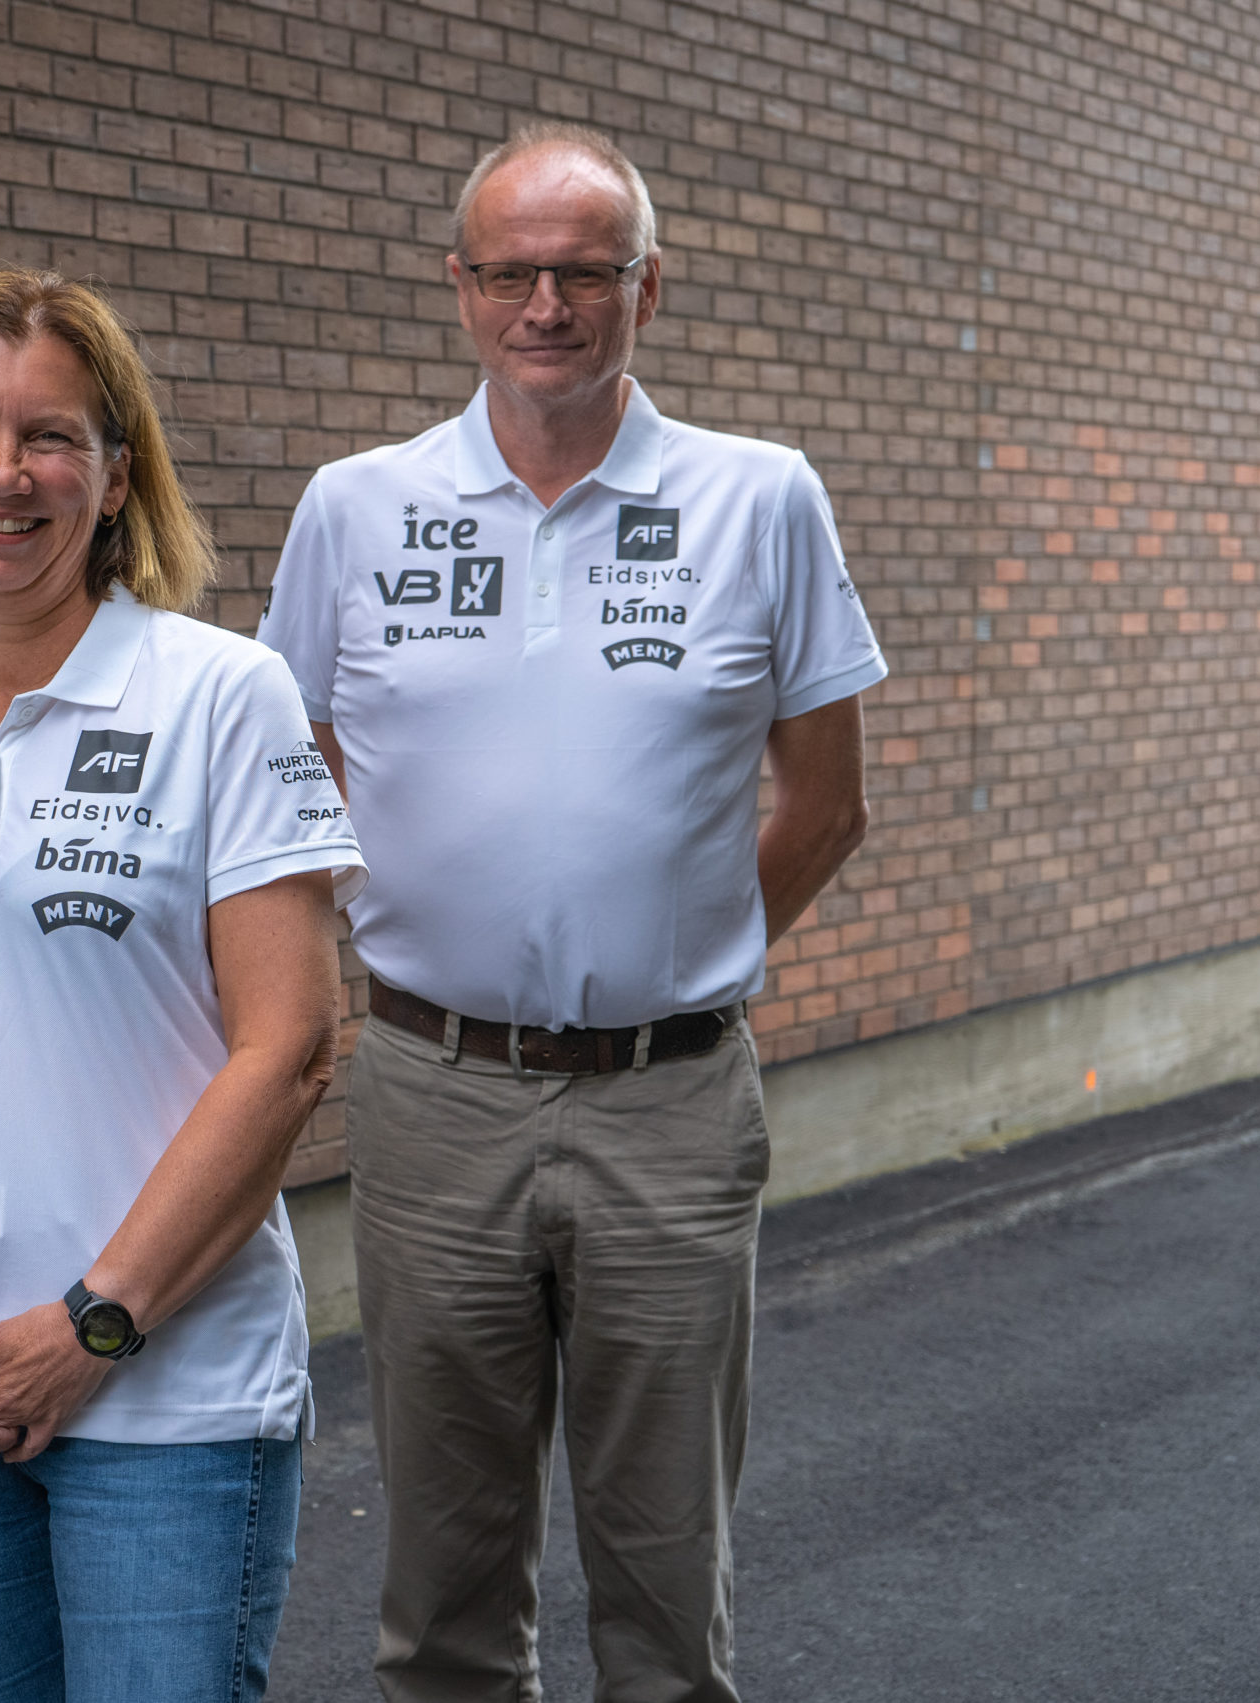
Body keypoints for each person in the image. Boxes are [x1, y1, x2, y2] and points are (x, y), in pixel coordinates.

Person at [257, 122, 885, 1703]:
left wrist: (675, 956)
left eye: (584, 273)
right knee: (444, 1579)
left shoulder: (762, 501)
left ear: (646, 290)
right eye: (513, 274)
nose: (548, 305)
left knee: (667, 1580)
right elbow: (290, 782)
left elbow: (825, 801)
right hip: (432, 1096)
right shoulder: (357, 508)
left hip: (670, 1102)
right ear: (460, 290)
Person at [0, 269, 365, 1702]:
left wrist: (97, 1323)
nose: (5, 471)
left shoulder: (225, 697)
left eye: (53, 437)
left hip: (169, 1392)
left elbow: (290, 1046)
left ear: (115, 479)